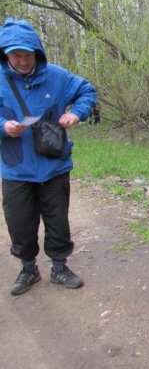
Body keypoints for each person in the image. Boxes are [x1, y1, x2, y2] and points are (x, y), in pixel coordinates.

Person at [0, 18, 97, 295]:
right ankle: (28, 269)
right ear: (6, 53)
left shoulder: (57, 76)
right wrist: (4, 127)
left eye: (27, 54)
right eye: (15, 55)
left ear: (37, 52)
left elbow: (87, 91)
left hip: (53, 164)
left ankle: (59, 267)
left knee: (57, 220)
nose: (21, 60)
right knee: (19, 223)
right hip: (15, 167)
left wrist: (76, 113)